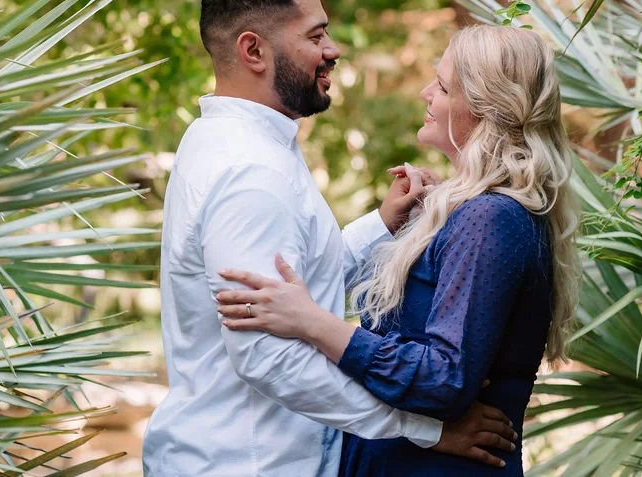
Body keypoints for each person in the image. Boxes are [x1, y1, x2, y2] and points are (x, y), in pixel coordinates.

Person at [142, 0, 517, 477]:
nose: (333, 50)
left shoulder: (228, 141)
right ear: (254, 50)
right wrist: (425, 428)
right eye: (316, 36)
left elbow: (295, 294)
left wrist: (381, 223)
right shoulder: (251, 172)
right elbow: (268, 355)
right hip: (250, 463)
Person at [216, 25, 581, 475]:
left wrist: (314, 323)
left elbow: (444, 378)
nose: (426, 93)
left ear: (485, 108)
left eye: (442, 87)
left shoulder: (491, 218)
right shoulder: (471, 213)